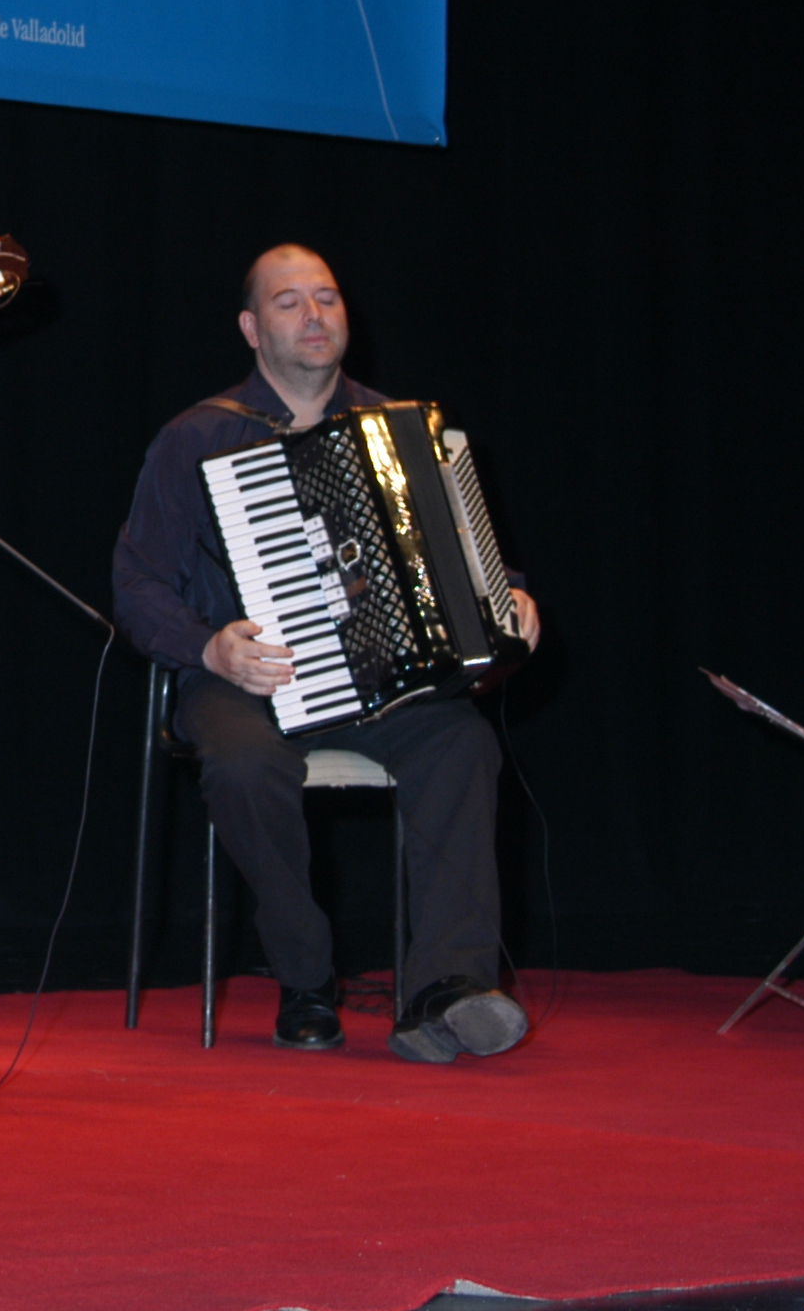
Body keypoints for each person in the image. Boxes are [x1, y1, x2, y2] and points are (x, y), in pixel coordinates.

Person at [111, 245, 541, 1060]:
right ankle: (306, 977)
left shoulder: (401, 429)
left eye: (328, 299)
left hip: (384, 682)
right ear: (250, 327)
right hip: (245, 682)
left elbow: (468, 556)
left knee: (462, 744)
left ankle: (444, 989)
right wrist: (209, 647)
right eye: (289, 302)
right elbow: (135, 584)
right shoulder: (198, 435)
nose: (314, 316)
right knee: (242, 767)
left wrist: (510, 596)